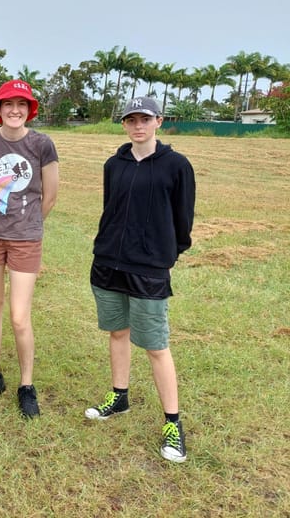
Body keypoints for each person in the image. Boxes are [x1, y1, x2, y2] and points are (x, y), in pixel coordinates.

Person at [84, 96, 195, 463]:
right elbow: (109, 209)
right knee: (118, 332)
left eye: (144, 119)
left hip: (149, 269)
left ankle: (172, 423)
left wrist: (163, 255)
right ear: (125, 125)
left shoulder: (177, 166)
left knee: (155, 344)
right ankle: (120, 395)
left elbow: (183, 221)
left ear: (159, 122)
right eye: (131, 120)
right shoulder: (113, 164)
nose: (138, 126)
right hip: (109, 264)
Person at [0, 80, 59, 419]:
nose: (15, 110)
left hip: (25, 239)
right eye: (9, 104)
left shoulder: (42, 144)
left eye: (22, 104)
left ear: (29, 109)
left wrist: (27, 225)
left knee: (20, 317)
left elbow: (49, 196)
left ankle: (26, 384)